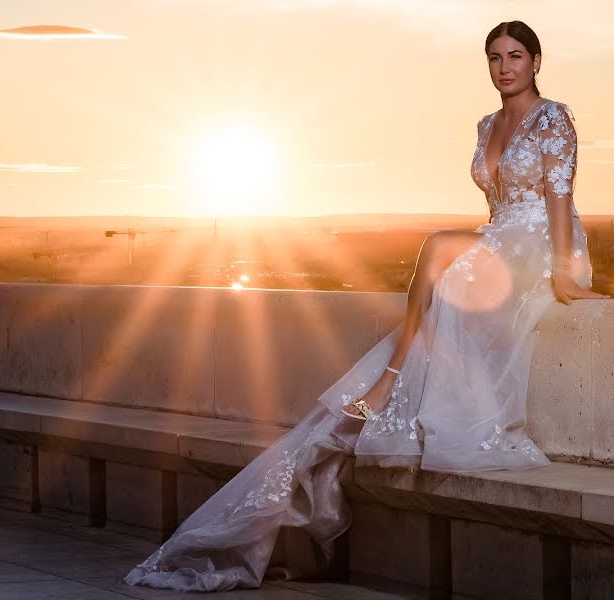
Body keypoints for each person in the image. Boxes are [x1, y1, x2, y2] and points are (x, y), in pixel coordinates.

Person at [124, 20, 608, 592]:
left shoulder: (554, 118)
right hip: (501, 234)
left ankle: (390, 381)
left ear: (536, 61)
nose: (505, 67)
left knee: (451, 271)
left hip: (543, 243)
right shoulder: (486, 123)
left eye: (516, 56)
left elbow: (560, 198)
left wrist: (563, 274)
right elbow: (494, 203)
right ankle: (389, 377)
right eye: (495, 57)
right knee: (436, 253)